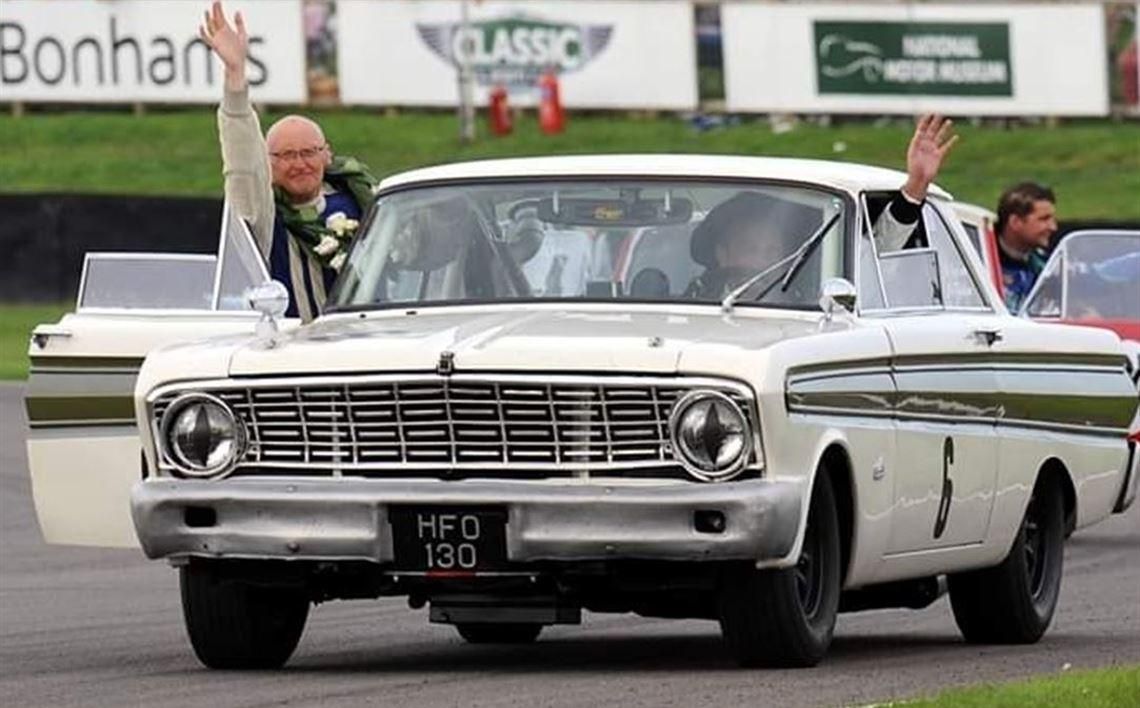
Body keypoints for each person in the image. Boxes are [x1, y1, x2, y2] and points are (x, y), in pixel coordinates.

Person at [199, 1, 378, 321]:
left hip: (364, 344)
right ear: (268, 165)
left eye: (309, 152)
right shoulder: (264, 214)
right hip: (293, 352)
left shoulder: (366, 200)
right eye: (286, 156)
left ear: (327, 153)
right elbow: (243, 164)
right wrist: (235, 75)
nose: (300, 164)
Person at [689, 114, 959, 299]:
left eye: (772, 251)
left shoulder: (820, 300)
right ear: (722, 254)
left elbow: (878, 252)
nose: (761, 262)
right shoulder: (691, 301)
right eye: (749, 249)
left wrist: (916, 185)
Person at [993, 182, 1058, 312]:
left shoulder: (1046, 265)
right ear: (1015, 222)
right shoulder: (980, 260)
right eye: (1044, 219)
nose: (1053, 227)